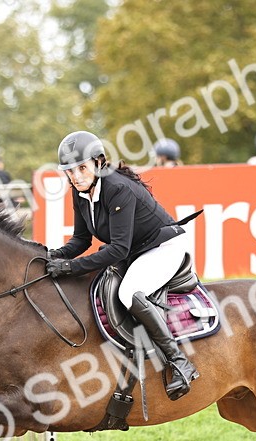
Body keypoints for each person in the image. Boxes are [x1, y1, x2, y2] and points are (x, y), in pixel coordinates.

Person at [45, 131, 199, 400]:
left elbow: (118, 249)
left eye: (82, 168)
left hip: (164, 247)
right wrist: (53, 256)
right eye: (70, 171)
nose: (76, 176)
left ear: (98, 162)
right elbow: (81, 240)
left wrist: (70, 268)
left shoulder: (117, 188)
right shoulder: (80, 191)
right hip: (138, 250)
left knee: (128, 293)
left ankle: (180, 362)